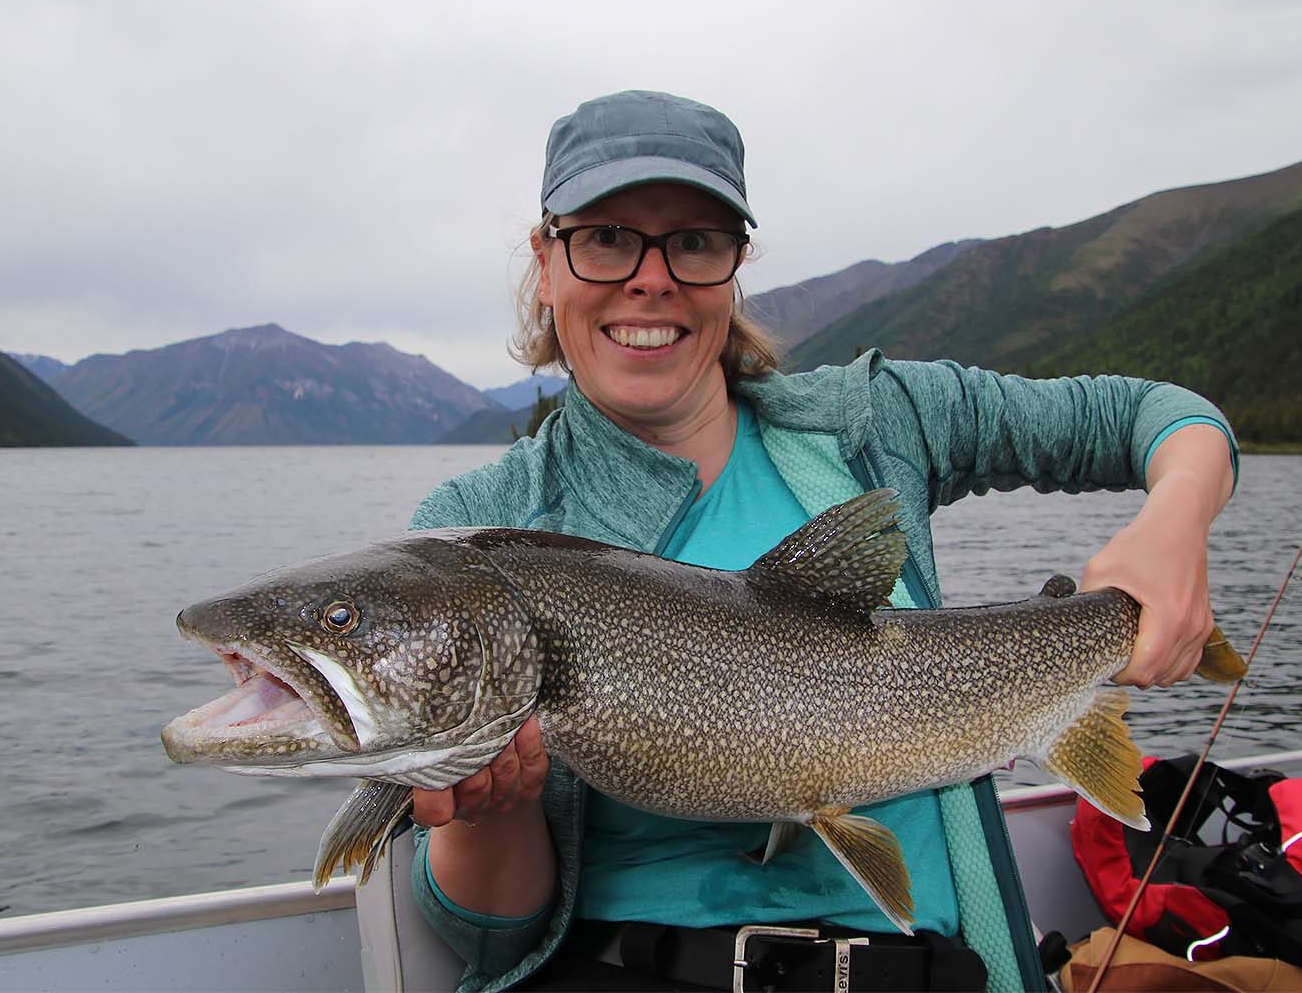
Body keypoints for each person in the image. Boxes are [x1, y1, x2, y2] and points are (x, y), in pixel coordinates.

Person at [405, 90, 1238, 992]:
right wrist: (485, 810)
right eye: (605, 237)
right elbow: (496, 933)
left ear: (735, 263)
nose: (651, 277)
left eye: (694, 241)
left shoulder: (876, 423)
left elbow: (1161, 417)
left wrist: (1174, 524)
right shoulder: (477, 534)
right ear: (546, 257)